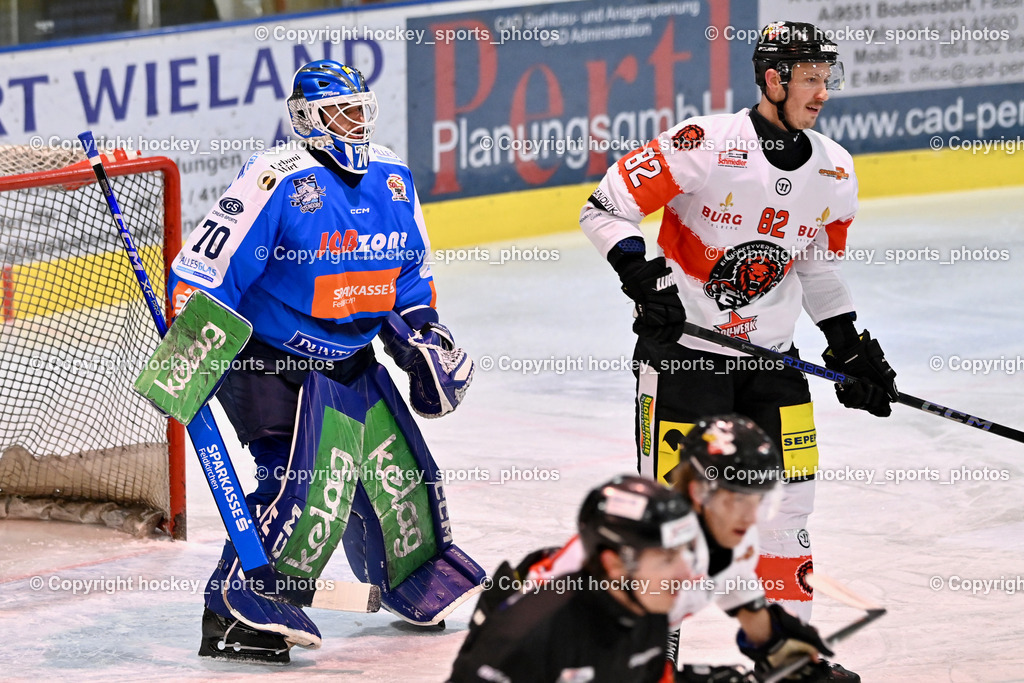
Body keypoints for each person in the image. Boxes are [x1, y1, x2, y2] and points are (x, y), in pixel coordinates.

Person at [578, 20, 897, 624]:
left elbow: (818, 271)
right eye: (809, 79)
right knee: (670, 517)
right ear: (773, 80)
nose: (822, 93)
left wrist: (849, 349)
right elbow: (606, 207)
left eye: (826, 80)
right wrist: (641, 276)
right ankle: (652, 657)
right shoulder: (704, 142)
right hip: (685, 357)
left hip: (771, 363)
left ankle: (789, 648)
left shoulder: (835, 169)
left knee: (789, 510)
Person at [168, 59, 482, 663]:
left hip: (351, 356)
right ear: (307, 119)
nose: (357, 124)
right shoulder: (277, 176)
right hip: (269, 360)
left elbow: (409, 279)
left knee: (402, 477)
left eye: (363, 110)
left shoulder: (393, 176)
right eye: (343, 112)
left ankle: (408, 577)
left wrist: (422, 339)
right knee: (302, 482)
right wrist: (192, 353)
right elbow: (210, 271)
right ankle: (237, 612)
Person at [510, 416, 854, 682]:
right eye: (738, 498)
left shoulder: (728, 536)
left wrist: (785, 655)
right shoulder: (648, 545)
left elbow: (751, 612)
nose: (751, 516)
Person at [448, 475, 702, 682]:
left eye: (683, 554)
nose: (685, 574)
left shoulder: (651, 608)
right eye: (667, 559)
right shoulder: (529, 635)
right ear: (614, 564)